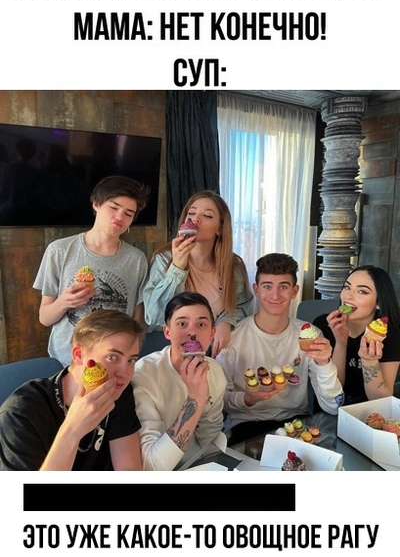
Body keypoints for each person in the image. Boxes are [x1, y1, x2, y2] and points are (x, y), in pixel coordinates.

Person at [216, 253, 344, 446]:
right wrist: (248, 399)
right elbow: (221, 400)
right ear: (256, 289)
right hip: (245, 427)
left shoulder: (310, 335)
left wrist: (325, 364)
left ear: (294, 291)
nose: (275, 295)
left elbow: (333, 406)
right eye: (267, 286)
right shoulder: (232, 338)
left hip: (295, 423)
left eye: (283, 287)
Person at [0, 309, 145, 471]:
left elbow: (129, 471)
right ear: (78, 355)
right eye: (112, 357)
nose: (124, 373)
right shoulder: (21, 413)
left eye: (131, 360)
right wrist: (72, 430)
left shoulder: (118, 392)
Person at [33, 175, 150, 366]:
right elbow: (44, 318)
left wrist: (129, 358)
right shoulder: (60, 250)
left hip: (116, 362)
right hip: (68, 361)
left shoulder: (136, 259)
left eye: (128, 213)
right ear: (96, 204)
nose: (119, 217)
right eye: (113, 207)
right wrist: (64, 301)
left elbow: (138, 320)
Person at [143, 190, 254, 356]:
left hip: (212, 351)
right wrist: (177, 268)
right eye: (191, 213)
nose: (195, 219)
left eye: (207, 215)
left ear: (220, 228)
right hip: (168, 351)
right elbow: (155, 316)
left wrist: (226, 322)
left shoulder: (233, 267)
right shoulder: (163, 259)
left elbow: (242, 306)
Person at [132, 291, 227, 470]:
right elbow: (152, 466)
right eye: (182, 324)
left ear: (212, 334)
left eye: (201, 324)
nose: (192, 333)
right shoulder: (143, 376)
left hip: (198, 465)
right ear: (167, 332)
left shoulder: (215, 371)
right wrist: (195, 399)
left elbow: (211, 435)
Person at [313, 265, 400, 405]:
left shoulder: (390, 335)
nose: (348, 296)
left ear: (378, 302)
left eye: (362, 291)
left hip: (367, 411)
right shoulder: (324, 325)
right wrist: (341, 344)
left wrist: (369, 361)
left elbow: (381, 401)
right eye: (347, 287)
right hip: (328, 410)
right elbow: (334, 394)